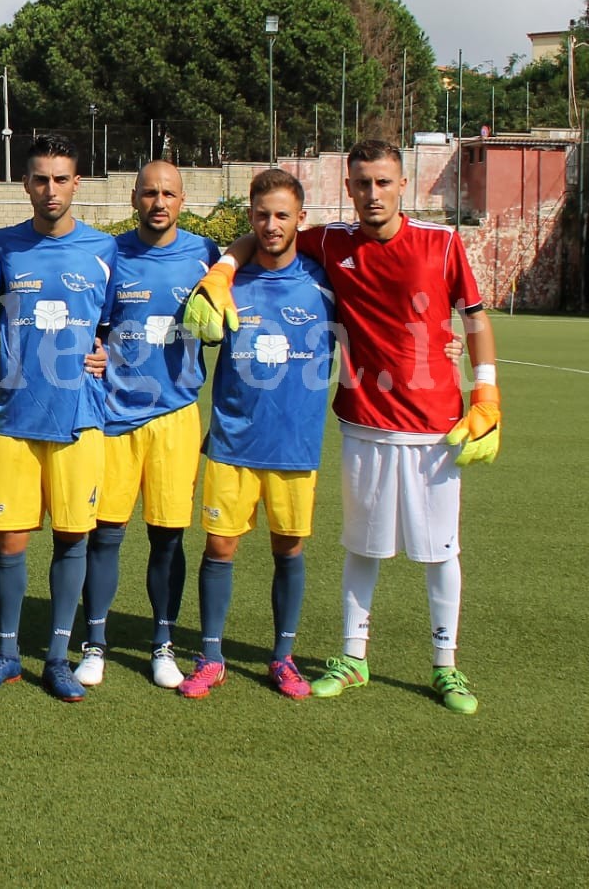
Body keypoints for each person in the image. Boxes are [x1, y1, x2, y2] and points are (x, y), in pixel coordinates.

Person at [188, 140, 498, 714]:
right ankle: (353, 658)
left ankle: (445, 665)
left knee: (440, 550)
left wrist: (487, 388)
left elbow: (475, 317)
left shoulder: (442, 241)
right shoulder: (330, 241)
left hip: (436, 424)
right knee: (363, 546)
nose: (371, 193)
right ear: (348, 188)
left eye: (382, 182)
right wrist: (226, 266)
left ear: (403, 183)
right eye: (361, 183)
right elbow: (262, 232)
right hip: (362, 419)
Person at [177, 169, 333, 701]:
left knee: (288, 550)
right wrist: (223, 267)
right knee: (220, 547)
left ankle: (283, 657)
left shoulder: (323, 281)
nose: (271, 225)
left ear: (300, 220)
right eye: (262, 215)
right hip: (232, 440)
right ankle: (211, 655)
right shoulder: (225, 282)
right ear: (250, 217)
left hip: (295, 444)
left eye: (282, 215)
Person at [0, 135, 115, 702]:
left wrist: (107, 348)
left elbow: (127, 320)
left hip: (80, 416)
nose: (50, 189)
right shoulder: (3, 246)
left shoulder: (105, 249)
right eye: (40, 179)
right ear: (26, 184)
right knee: (10, 540)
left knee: (73, 538)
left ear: (76, 182)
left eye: (61, 179)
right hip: (15, 414)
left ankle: (57, 656)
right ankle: (7, 653)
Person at [78, 160, 218, 690]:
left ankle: (163, 642)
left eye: (169, 194)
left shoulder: (207, 255)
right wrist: (95, 351)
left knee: (168, 536)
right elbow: (93, 322)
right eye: (149, 193)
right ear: (133, 199)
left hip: (176, 417)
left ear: (182, 200)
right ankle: (94, 643)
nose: (159, 202)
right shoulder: (112, 255)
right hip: (115, 416)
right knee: (105, 534)